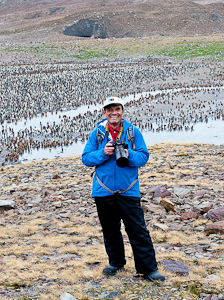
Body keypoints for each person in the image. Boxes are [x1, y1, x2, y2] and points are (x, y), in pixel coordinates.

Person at [82, 97, 165, 281]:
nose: (114, 112)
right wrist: (103, 153)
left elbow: (143, 157)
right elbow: (86, 159)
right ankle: (116, 263)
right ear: (104, 112)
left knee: (138, 230)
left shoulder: (133, 132)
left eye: (117, 109)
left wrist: (129, 154)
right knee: (110, 230)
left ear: (122, 111)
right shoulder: (97, 134)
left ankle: (149, 269)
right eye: (110, 109)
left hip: (129, 190)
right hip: (103, 191)